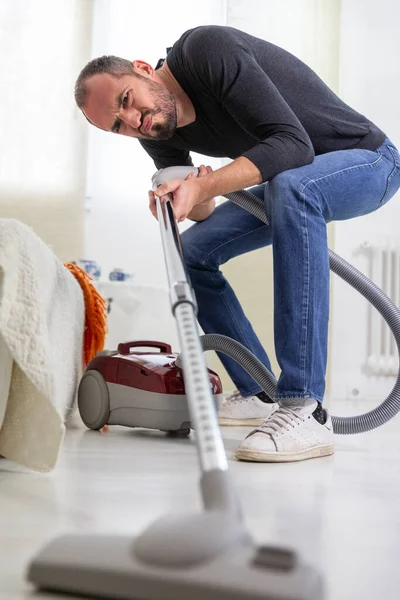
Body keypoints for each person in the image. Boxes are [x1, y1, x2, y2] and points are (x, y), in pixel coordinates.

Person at [74, 25, 400, 463]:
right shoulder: (158, 131)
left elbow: (292, 146)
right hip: (292, 181)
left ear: (141, 69)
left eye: (126, 101)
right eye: (119, 125)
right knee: (194, 252)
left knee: (293, 186)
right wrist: (182, 199)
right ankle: (258, 392)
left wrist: (207, 187)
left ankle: (303, 406)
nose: (133, 121)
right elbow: (204, 209)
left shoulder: (205, 51)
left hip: (368, 162)